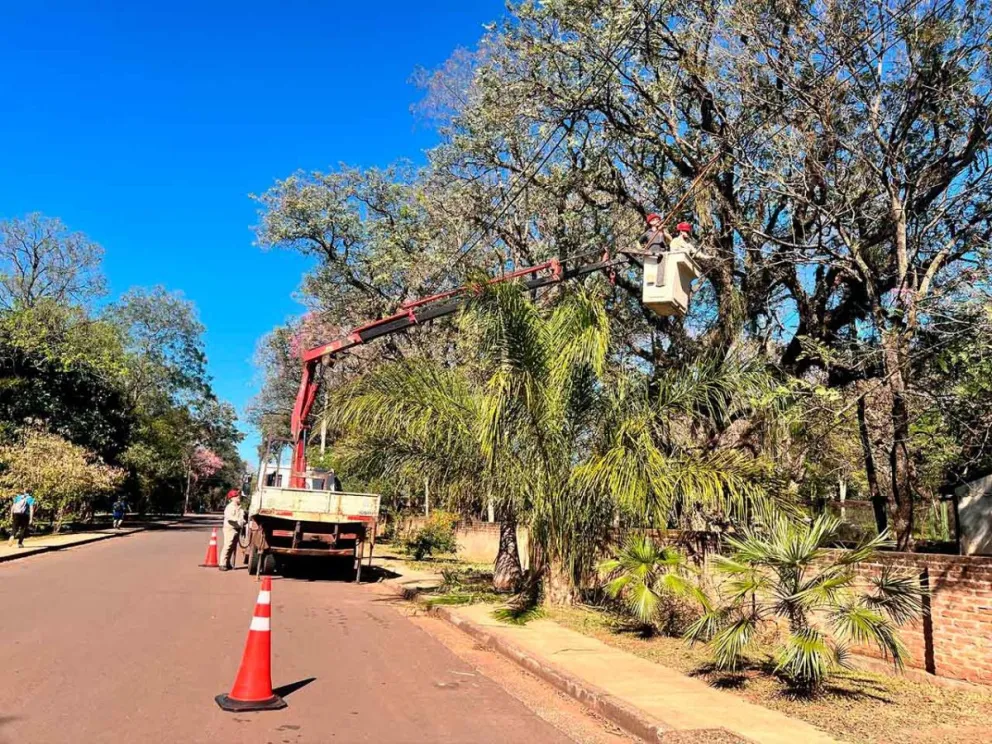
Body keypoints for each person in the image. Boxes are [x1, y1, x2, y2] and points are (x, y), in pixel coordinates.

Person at [219, 489, 245, 571]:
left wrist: (243, 522)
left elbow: (242, 518)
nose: (238, 497)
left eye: (239, 496)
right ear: (232, 498)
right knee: (228, 545)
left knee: (233, 547)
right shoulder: (229, 507)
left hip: (237, 528)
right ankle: (222, 563)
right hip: (230, 528)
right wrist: (238, 521)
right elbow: (229, 517)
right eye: (236, 496)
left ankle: (228, 563)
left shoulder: (240, 508)